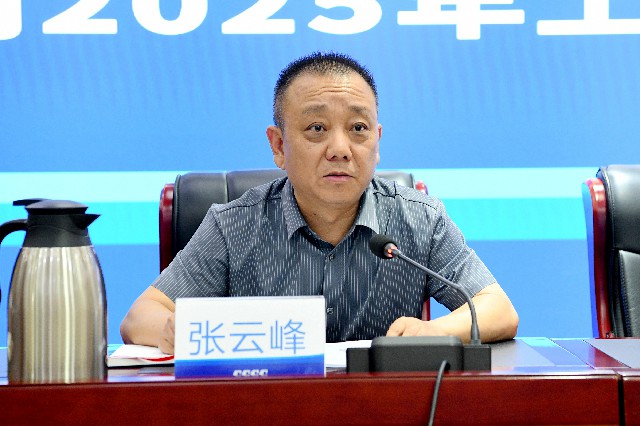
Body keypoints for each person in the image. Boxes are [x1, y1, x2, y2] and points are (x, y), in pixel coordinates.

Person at [120, 52, 519, 354]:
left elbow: (498, 309)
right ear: (279, 146)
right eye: (316, 128)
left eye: (358, 128)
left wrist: (434, 331)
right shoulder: (233, 226)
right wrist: (176, 330)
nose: (340, 149)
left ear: (377, 141)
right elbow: (140, 317)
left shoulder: (419, 219)